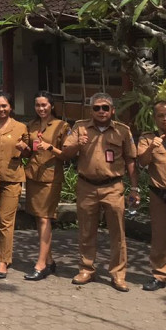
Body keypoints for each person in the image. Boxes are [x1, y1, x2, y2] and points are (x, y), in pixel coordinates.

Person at [60, 93, 139, 291]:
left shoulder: (122, 130)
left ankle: (118, 274)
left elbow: (130, 159)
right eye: (96, 108)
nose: (101, 111)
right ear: (91, 110)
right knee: (86, 231)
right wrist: (78, 144)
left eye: (105, 108)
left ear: (112, 110)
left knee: (117, 233)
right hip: (86, 186)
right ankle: (86, 269)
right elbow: (65, 154)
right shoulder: (80, 128)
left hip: (113, 187)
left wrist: (135, 187)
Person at [136, 100, 166, 292]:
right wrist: (151, 148)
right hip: (160, 195)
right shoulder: (147, 138)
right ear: (155, 118)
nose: (165, 119)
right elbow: (141, 162)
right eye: (160, 116)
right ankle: (159, 276)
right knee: (160, 238)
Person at [0, 92, 29, 279]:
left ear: (11, 107)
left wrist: (25, 148)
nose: (1, 109)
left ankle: (3, 260)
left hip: (12, 179)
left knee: (5, 221)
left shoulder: (20, 127)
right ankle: (2, 253)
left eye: (4, 106)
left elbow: (29, 152)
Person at [23, 92, 69, 281]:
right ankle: (49, 261)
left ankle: (41, 264)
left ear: (52, 106)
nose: (41, 109)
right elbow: (29, 152)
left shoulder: (61, 126)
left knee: (44, 218)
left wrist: (50, 147)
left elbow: (67, 154)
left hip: (50, 178)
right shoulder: (31, 125)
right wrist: (23, 148)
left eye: (44, 105)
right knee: (39, 218)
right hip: (33, 175)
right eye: (38, 105)